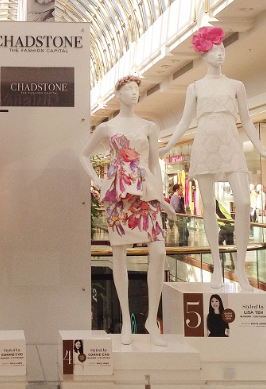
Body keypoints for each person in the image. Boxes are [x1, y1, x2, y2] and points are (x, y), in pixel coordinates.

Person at [159, 26, 266, 291]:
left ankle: (240, 269)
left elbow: (246, 119)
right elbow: (184, 121)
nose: (220, 54)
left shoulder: (236, 85)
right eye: (215, 50)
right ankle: (216, 265)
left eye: (222, 49)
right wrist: (167, 146)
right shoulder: (195, 87)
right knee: (208, 206)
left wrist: (261, 149)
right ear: (204, 55)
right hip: (205, 143)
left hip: (229, 143)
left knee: (244, 201)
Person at [80, 75, 175, 346]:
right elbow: (83, 155)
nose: (134, 93)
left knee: (158, 251)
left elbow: (154, 164)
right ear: (118, 94)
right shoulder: (107, 127)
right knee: (119, 254)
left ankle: (151, 319)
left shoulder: (149, 126)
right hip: (118, 192)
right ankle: (124, 319)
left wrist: (161, 197)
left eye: (136, 89)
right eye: (129, 89)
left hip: (145, 191)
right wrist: (98, 181)